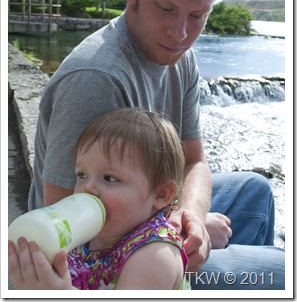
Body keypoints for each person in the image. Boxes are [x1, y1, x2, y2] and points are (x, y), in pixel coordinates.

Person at [28, 0, 285, 290]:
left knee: (254, 189)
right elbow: (71, 225)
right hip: (99, 265)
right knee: (283, 270)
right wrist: (170, 231)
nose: (181, 33)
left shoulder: (179, 53)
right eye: (166, 9)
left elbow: (194, 159)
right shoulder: (95, 79)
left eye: (198, 15)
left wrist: (191, 215)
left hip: (145, 211)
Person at [9, 107, 190, 290]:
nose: (87, 187)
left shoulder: (155, 256)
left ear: (161, 194)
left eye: (110, 178)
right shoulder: (84, 234)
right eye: (82, 175)